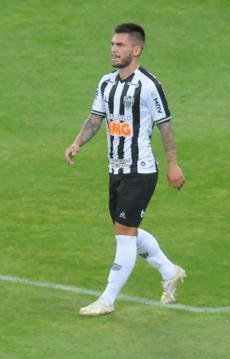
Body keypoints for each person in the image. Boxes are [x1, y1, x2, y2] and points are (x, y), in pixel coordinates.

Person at [64, 23, 187, 317]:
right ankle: (170, 271)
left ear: (136, 49)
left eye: (120, 45)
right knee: (126, 228)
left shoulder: (148, 85)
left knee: (124, 232)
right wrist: (77, 142)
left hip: (140, 170)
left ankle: (107, 299)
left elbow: (165, 126)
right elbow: (96, 118)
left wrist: (172, 164)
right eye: (112, 44)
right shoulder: (107, 83)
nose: (113, 49)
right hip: (115, 169)